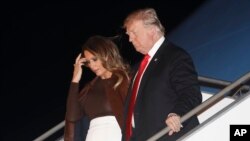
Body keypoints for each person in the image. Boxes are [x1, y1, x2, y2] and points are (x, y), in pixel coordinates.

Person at [122, 8, 202, 141]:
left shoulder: (175, 56)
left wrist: (177, 114)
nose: (130, 39)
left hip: (169, 136)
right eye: (128, 35)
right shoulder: (137, 69)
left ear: (152, 30)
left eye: (134, 33)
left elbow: (190, 92)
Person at [64, 35, 130, 141]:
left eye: (94, 59)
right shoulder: (90, 88)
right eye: (88, 62)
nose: (92, 66)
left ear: (106, 54)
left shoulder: (124, 79)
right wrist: (75, 80)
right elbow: (72, 117)